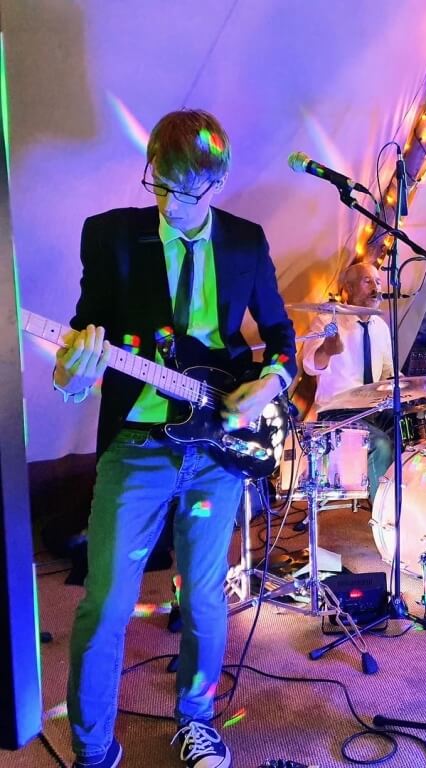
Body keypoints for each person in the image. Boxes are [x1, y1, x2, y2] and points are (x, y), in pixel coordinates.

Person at [55, 109, 296, 768]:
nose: (170, 203)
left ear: (216, 182)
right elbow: (86, 333)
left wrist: (270, 383)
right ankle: (94, 750)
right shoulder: (110, 237)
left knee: (206, 594)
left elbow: (280, 338)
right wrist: (73, 375)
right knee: (105, 601)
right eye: (159, 186)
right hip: (138, 445)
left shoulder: (246, 242)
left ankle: (196, 719)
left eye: (186, 192)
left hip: (216, 449)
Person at [300, 261, 394, 500]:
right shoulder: (327, 321)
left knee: (410, 431)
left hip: (372, 408)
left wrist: (413, 386)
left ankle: (403, 500)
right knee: (380, 444)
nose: (376, 287)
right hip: (336, 412)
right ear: (348, 289)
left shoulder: (381, 327)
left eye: (378, 282)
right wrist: (328, 350)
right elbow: (310, 366)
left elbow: (387, 373)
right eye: (367, 281)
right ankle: (385, 515)